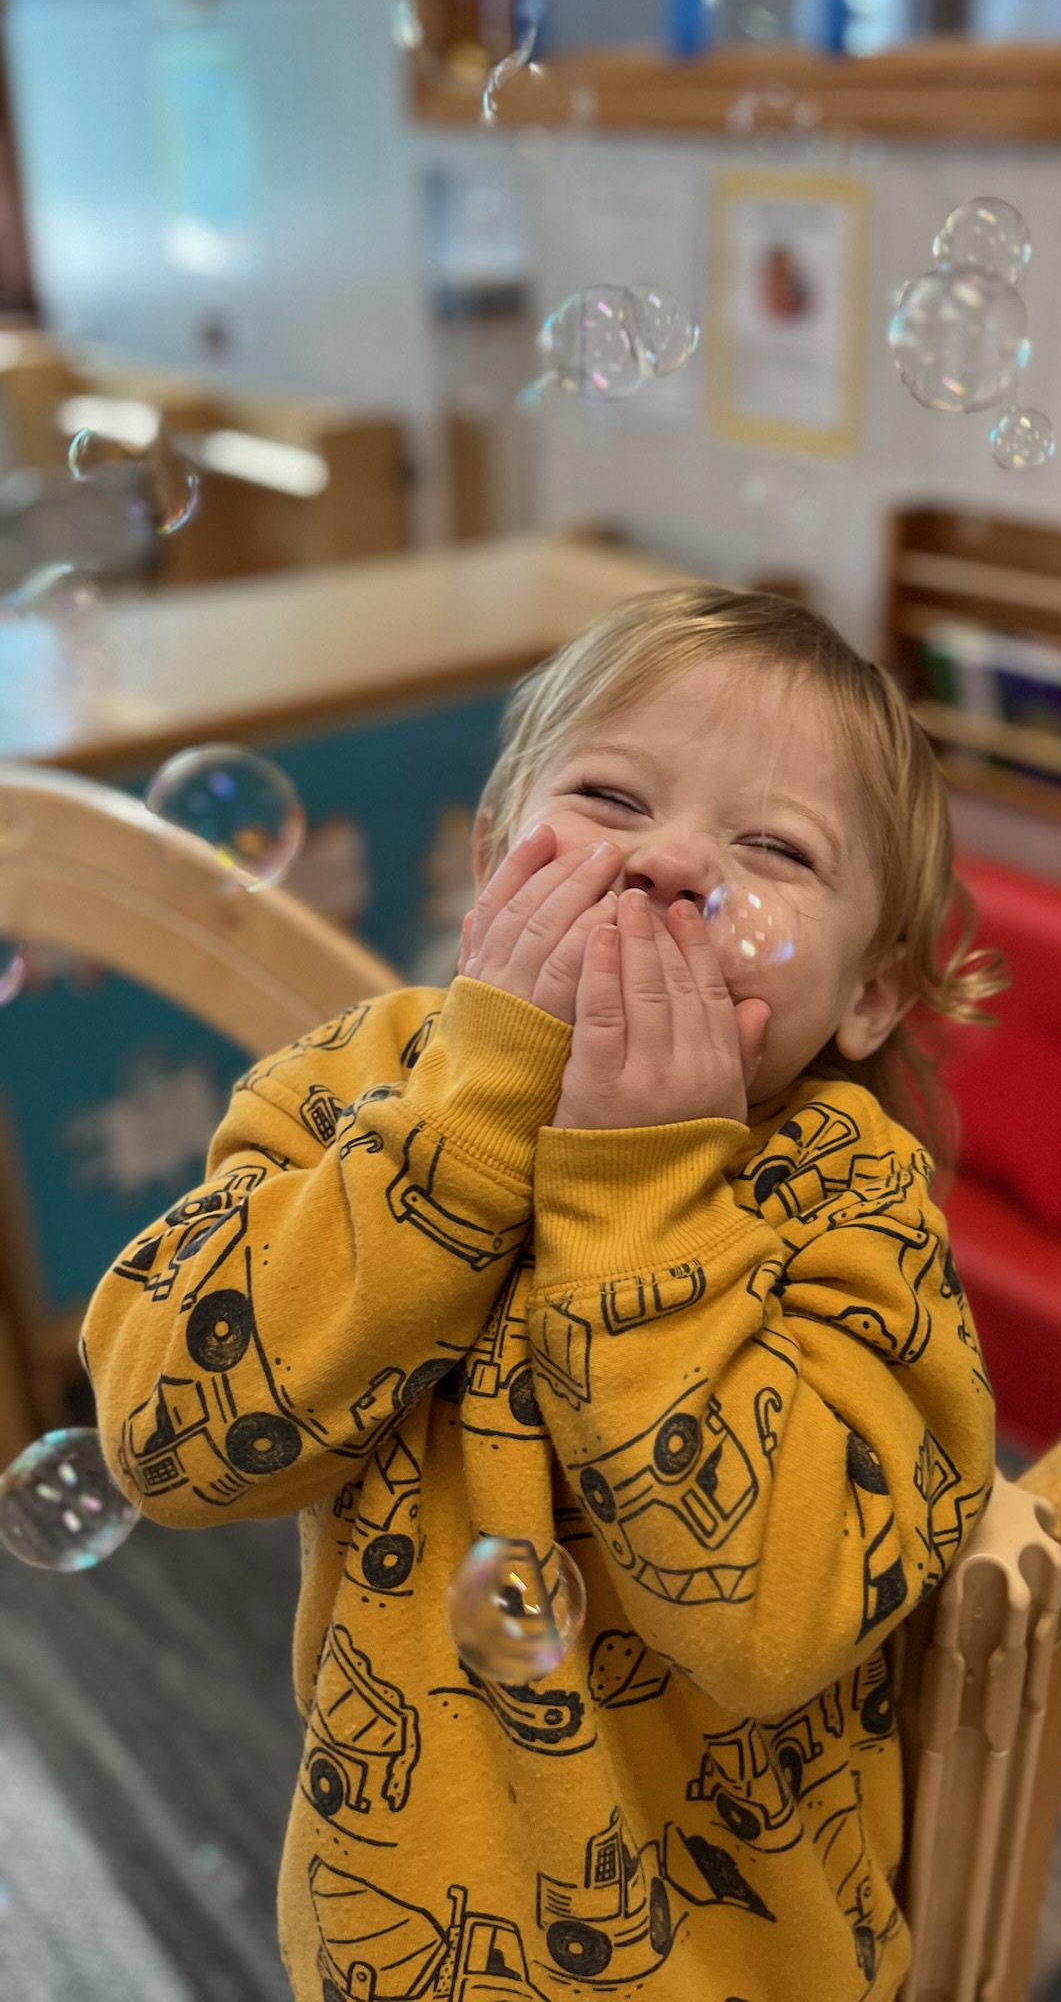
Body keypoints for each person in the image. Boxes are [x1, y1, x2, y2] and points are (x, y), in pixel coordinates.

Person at [83, 585, 1004, 2002]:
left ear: (871, 999)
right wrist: (471, 1116)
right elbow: (164, 1438)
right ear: (491, 852)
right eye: (609, 796)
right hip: (395, 1945)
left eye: (773, 846)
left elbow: (776, 1623)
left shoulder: (852, 1205)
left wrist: (643, 1183)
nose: (671, 865)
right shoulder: (349, 1089)